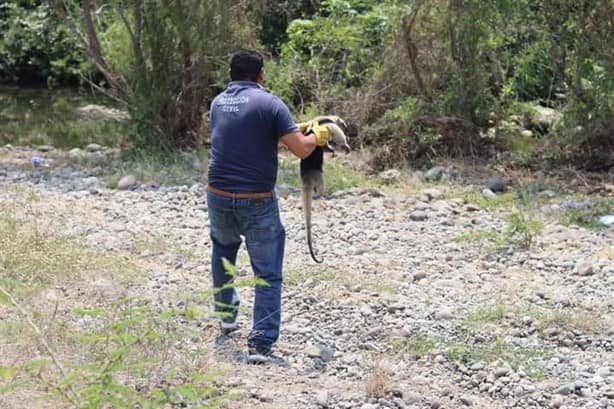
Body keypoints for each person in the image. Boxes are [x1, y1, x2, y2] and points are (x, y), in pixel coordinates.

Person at [206, 50, 331, 363]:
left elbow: (244, 136)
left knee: (223, 251)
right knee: (267, 273)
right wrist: (317, 136)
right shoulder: (272, 104)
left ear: (232, 74)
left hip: (218, 195)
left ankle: (227, 316)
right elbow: (302, 150)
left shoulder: (218, 103)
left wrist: (287, 127)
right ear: (260, 74)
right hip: (256, 200)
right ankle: (260, 344)